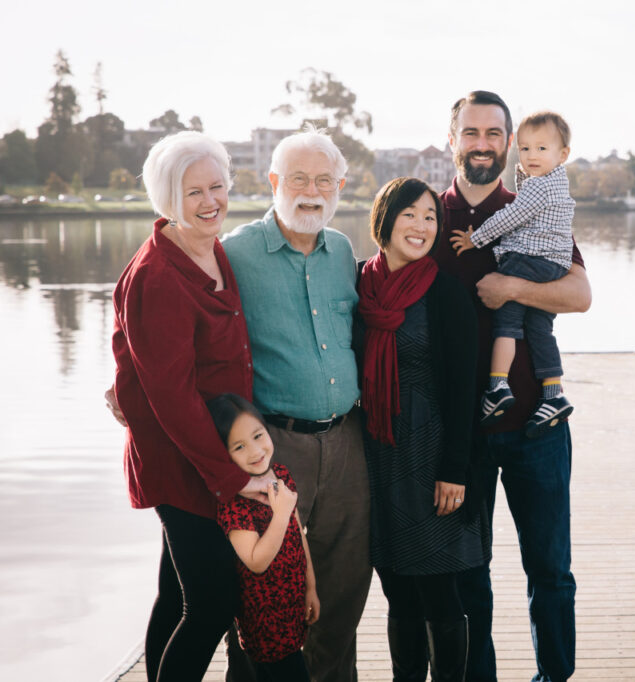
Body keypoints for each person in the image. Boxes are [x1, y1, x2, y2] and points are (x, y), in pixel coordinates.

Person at [434, 91, 591, 682]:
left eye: (494, 134)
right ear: (452, 140)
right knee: (467, 575)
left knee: (550, 571)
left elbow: (579, 294)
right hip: (459, 434)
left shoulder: (534, 201)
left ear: (508, 143)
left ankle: (554, 677)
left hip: (535, 427)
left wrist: (512, 289)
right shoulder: (425, 214)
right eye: (470, 132)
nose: (482, 144)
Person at [111, 131, 273, 682]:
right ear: (167, 198)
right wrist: (231, 477)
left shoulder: (210, 248)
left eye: (217, 187)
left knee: (178, 593)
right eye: (194, 192)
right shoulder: (157, 276)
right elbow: (171, 396)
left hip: (213, 454)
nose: (210, 201)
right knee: (212, 602)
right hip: (183, 464)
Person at [219, 125, 371, 682]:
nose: (312, 191)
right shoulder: (235, 252)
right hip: (275, 445)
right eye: (299, 179)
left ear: (340, 186)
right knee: (265, 596)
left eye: (324, 180)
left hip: (347, 442)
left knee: (346, 583)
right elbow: (178, 314)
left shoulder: (342, 251)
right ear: (274, 181)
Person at [356, 177, 487, 682]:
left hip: (432, 457)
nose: (421, 225)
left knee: (438, 589)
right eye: (409, 214)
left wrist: (455, 469)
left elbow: (464, 389)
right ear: (384, 220)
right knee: (396, 588)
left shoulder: (445, 293)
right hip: (378, 454)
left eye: (430, 216)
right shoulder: (359, 285)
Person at [449, 111, 576, 437]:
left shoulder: (536, 191)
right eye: (526, 148)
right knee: (540, 327)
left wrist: (475, 238)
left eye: (541, 149)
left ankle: (497, 386)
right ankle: (553, 393)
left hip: (528, 259)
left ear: (563, 154)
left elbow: (511, 216)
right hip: (553, 264)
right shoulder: (555, 183)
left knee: (507, 323)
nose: (531, 156)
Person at [208, 393, 320, 682]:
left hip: (292, 604)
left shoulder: (280, 474)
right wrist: (280, 514)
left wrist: (310, 586)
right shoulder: (234, 502)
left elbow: (298, 536)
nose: (256, 451)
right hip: (265, 621)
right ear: (224, 454)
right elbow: (256, 561)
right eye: (239, 446)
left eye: (258, 436)